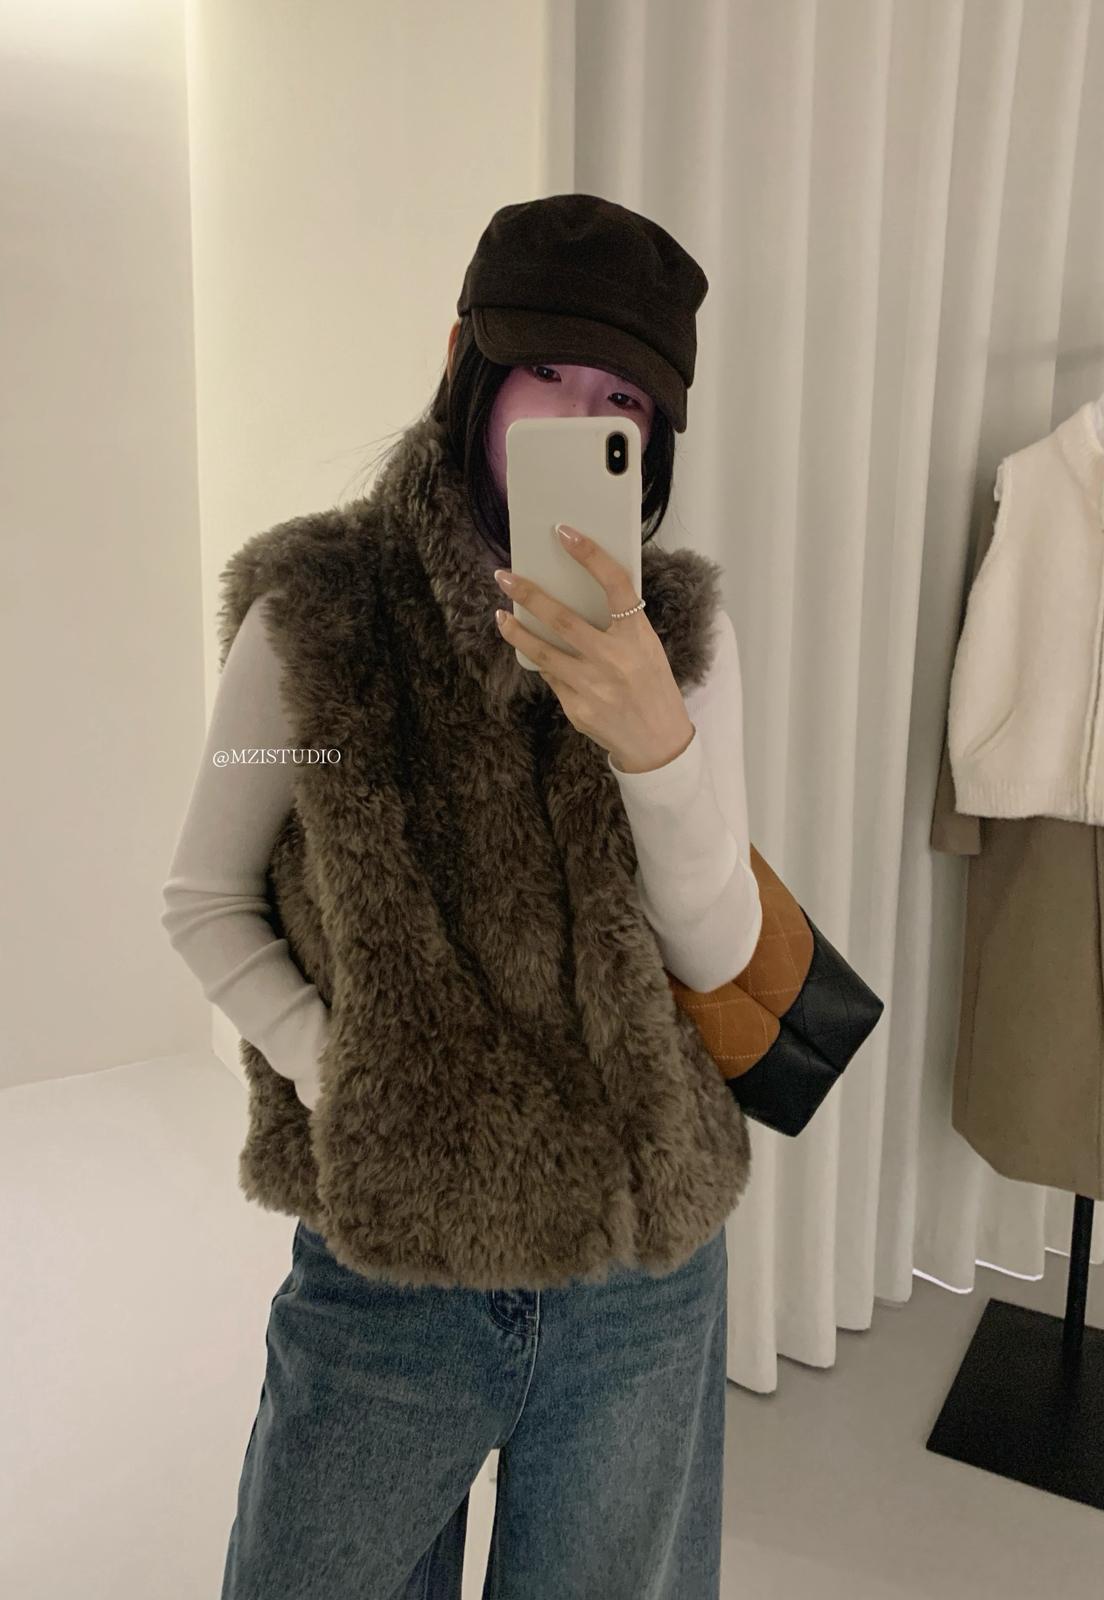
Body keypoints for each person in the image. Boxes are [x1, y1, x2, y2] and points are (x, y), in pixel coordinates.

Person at [162, 194, 761, 1599]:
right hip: (394, 1276)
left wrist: (655, 743)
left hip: (638, 1270)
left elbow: (720, 948)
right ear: (464, 363)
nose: (579, 416)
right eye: (546, 370)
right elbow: (205, 899)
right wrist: (351, 1082)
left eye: (620, 399)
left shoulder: (683, 632)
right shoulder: (314, 616)